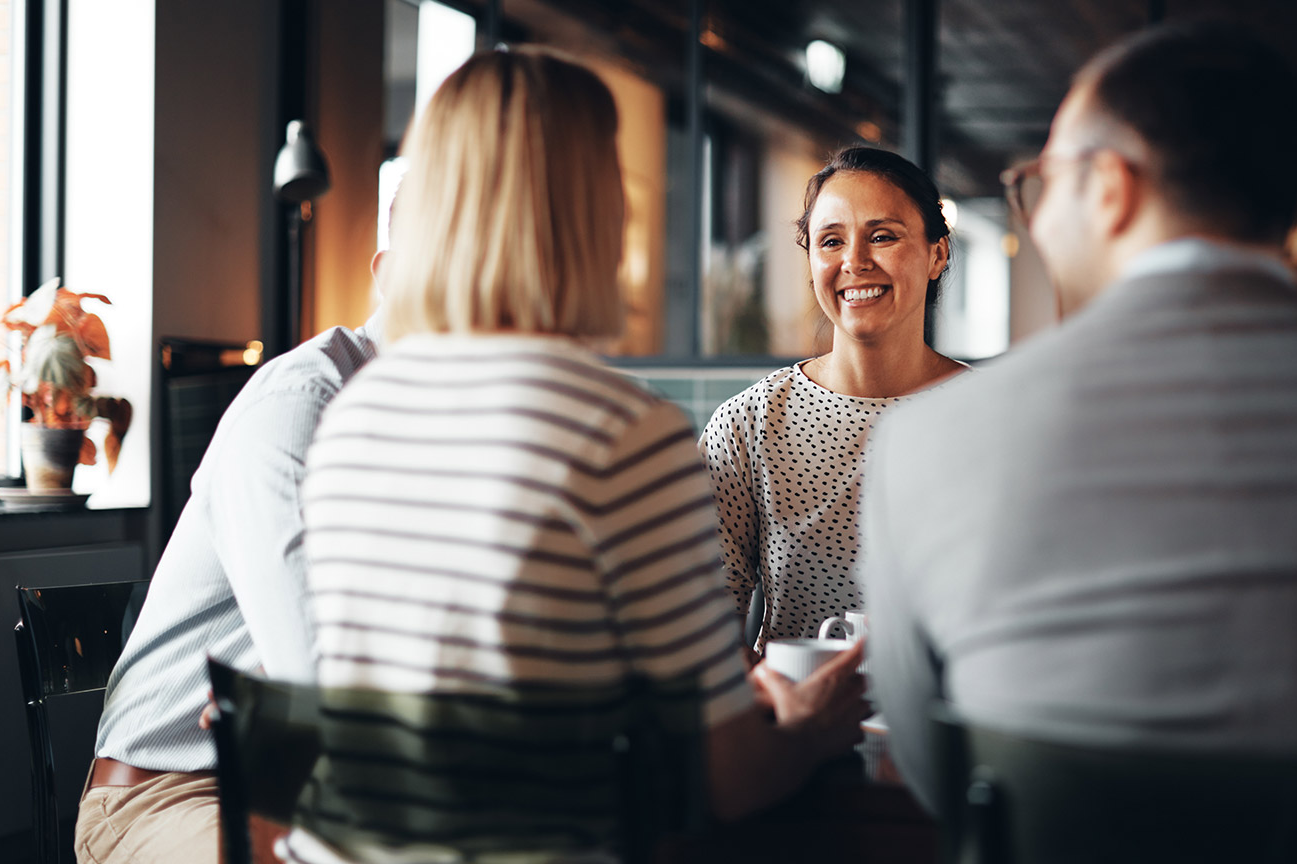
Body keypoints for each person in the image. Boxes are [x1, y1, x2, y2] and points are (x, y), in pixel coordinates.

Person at [862, 20, 1297, 812]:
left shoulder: (929, 439)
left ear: (1110, 187)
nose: (1036, 216)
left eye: (1043, 182)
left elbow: (933, 771)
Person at [288, 47, 867, 863]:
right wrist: (810, 727)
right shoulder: (620, 432)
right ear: (591, 210)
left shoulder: (353, 412)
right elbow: (728, 780)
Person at [74, 301, 386, 858]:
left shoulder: (453, 436)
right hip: (169, 793)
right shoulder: (300, 405)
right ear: (386, 273)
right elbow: (318, 688)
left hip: (291, 781)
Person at [702, 146, 965, 654]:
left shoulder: (995, 416)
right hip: (797, 725)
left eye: (883, 236)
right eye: (830, 242)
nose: (855, 262)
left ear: (937, 254)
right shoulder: (749, 425)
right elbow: (703, 629)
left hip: (953, 727)